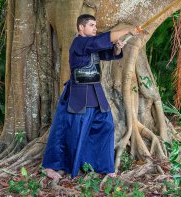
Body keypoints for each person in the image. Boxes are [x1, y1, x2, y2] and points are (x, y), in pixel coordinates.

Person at [42, 14, 139, 179]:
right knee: (69, 130)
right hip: (78, 93)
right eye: (91, 25)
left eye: (95, 25)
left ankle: (104, 166)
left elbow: (107, 52)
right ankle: (52, 166)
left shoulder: (91, 45)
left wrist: (117, 48)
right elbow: (100, 41)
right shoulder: (79, 42)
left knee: (106, 125)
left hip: (95, 91)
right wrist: (128, 29)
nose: (95, 28)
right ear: (81, 28)